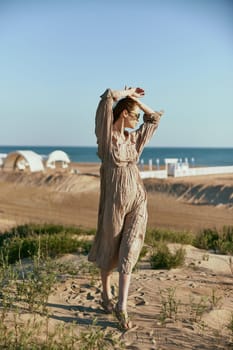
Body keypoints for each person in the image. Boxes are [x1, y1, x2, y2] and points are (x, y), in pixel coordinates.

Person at [88, 86, 164, 330]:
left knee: (130, 249)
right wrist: (123, 94)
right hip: (114, 203)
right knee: (110, 247)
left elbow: (154, 119)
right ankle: (105, 295)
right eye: (134, 115)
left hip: (138, 199)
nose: (138, 119)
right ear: (123, 115)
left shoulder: (134, 138)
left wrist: (138, 103)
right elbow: (106, 101)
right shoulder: (106, 136)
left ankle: (121, 305)